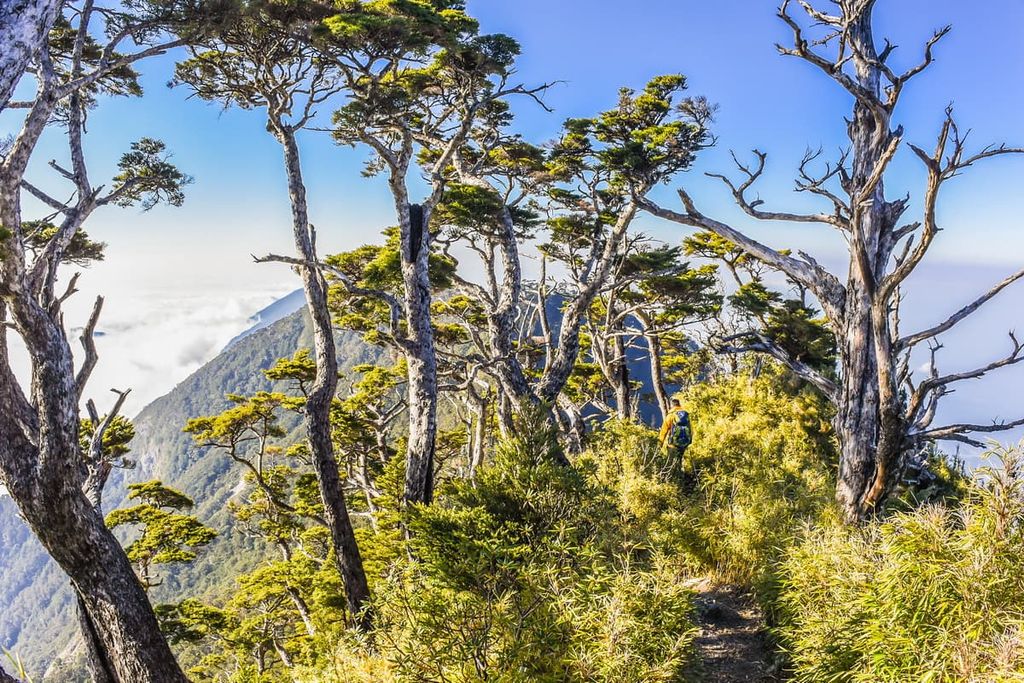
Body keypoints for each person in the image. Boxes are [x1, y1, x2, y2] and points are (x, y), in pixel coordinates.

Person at [658, 397, 692, 481]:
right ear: (679, 404)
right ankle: (680, 477)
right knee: (679, 460)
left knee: (670, 462)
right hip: (684, 443)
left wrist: (660, 444)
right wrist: (688, 441)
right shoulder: (685, 415)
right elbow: (691, 429)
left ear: (672, 405)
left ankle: (671, 480)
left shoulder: (671, 415)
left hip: (673, 444)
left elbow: (664, 431)